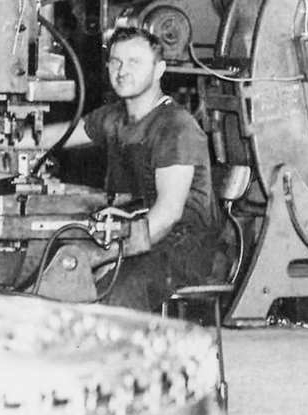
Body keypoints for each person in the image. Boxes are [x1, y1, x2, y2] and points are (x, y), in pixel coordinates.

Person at [60, 27, 222, 312]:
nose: (122, 71)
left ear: (159, 69)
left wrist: (106, 255)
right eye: (115, 61)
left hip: (180, 246)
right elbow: (56, 137)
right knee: (61, 271)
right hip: (136, 232)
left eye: (134, 62)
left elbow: (167, 216)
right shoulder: (114, 116)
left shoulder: (176, 127)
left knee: (109, 294)